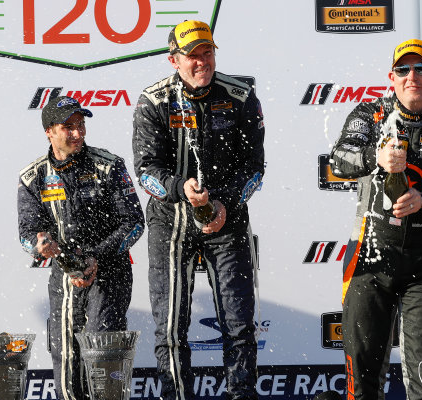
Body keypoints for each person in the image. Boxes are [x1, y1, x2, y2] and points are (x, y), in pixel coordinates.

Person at [330, 39, 422, 399]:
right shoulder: (371, 115)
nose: (413, 77)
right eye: (403, 70)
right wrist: (375, 157)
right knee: (360, 384)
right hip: (370, 258)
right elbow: (339, 160)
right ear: (391, 78)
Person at [132, 20, 265, 400]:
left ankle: (241, 394)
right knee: (171, 327)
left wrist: (224, 201)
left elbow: (254, 167)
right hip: (170, 222)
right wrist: (179, 188)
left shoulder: (240, 96)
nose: (202, 61)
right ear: (174, 59)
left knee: (239, 323)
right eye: (192, 55)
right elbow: (146, 170)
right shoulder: (153, 100)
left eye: (207, 52)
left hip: (227, 220)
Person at [18, 96, 144, 400]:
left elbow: (135, 222)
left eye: (81, 125)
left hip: (109, 273)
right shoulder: (32, 177)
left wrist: (96, 257)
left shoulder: (109, 165)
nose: (78, 133)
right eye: (68, 127)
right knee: (66, 358)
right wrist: (40, 244)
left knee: (103, 356)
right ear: (49, 131)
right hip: (64, 277)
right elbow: (26, 233)